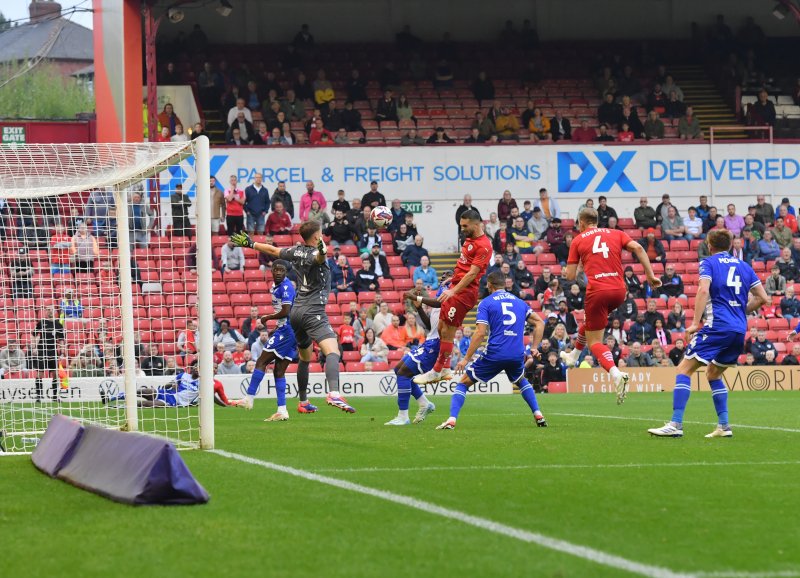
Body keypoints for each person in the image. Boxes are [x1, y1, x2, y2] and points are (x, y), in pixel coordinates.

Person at [648, 229, 768, 438]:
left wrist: (695, 323)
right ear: (730, 245)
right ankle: (724, 426)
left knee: (683, 369)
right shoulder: (745, 266)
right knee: (713, 373)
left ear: (709, 246)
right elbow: (762, 298)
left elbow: (703, 290)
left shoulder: (708, 263)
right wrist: (738, 311)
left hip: (718, 326)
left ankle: (676, 425)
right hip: (738, 330)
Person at [231, 221, 355, 412]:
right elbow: (319, 257)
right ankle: (334, 393)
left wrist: (251, 244)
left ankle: (303, 402)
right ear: (316, 237)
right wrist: (322, 251)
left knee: (305, 358)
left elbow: (273, 251)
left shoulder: (295, 251)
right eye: (321, 234)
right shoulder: (316, 253)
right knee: (333, 352)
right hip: (313, 312)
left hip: (296, 312)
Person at [560, 207, 661, 404]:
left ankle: (616, 374)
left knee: (595, 342)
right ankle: (573, 355)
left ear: (581, 223)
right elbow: (639, 249)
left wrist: (580, 265)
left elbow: (570, 277)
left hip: (598, 291)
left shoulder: (578, 239)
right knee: (590, 322)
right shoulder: (616, 233)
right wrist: (649, 275)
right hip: (619, 292)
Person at [435, 271, 546, 430]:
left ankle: (451, 420)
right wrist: (534, 347)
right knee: (521, 380)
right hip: (516, 353)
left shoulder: (486, 303)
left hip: (495, 352)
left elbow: (480, 332)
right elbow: (540, 323)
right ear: (504, 284)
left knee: (463, 383)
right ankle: (538, 414)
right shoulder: (520, 302)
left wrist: (466, 358)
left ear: (489, 285)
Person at [412, 210, 492, 386]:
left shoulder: (484, 245)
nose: (462, 229)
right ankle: (446, 368)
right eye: (461, 225)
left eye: (465, 226)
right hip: (456, 286)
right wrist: (453, 278)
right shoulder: (468, 239)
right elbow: (463, 265)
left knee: (447, 331)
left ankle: (436, 371)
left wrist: (454, 290)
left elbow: (472, 274)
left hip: (464, 294)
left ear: (476, 224)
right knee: (441, 328)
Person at [237, 260, 310, 418]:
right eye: (276, 269)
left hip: (288, 330)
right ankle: (282, 410)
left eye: (281, 270)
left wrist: (266, 317)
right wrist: (275, 329)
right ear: (271, 271)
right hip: (289, 329)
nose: (278, 272)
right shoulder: (277, 286)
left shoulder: (285, 287)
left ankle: (249, 398)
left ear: (285, 272)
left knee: (261, 361)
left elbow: (285, 311)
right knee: (278, 371)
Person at [384, 274, 452, 426]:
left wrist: (415, 297)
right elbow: (430, 326)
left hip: (436, 345)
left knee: (403, 373)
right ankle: (424, 403)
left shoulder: (450, 295)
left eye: (448, 275)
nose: (443, 277)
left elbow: (437, 303)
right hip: (430, 341)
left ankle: (403, 416)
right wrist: (419, 308)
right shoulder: (440, 295)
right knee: (398, 370)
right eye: (443, 276)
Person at [32, 306, 65, 401]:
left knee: (55, 374)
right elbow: (33, 334)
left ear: (55, 311)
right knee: (40, 374)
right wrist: (34, 347)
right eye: (48, 309)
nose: (49, 311)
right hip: (42, 351)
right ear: (46, 311)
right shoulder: (42, 323)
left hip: (53, 351)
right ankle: (39, 396)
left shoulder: (58, 324)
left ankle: (55, 396)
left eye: (51, 309)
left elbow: (61, 339)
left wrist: (62, 352)